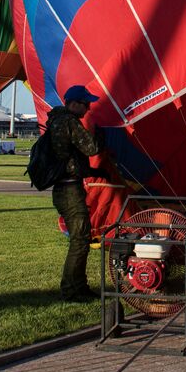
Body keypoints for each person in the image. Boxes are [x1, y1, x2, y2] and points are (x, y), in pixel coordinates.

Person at [46, 85, 121, 301]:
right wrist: (100, 134)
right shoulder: (68, 122)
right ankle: (72, 290)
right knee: (80, 239)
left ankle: (79, 286)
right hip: (69, 189)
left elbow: (71, 158)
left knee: (82, 237)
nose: (88, 109)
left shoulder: (57, 121)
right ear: (74, 103)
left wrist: (96, 172)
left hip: (67, 186)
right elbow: (91, 148)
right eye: (85, 104)